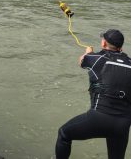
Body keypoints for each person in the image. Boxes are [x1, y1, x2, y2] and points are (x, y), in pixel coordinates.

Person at [55, 29, 131, 159]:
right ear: (121, 46)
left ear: (104, 43)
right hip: (123, 124)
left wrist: (88, 52)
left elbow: (82, 61)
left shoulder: (95, 58)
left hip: (99, 117)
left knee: (64, 133)